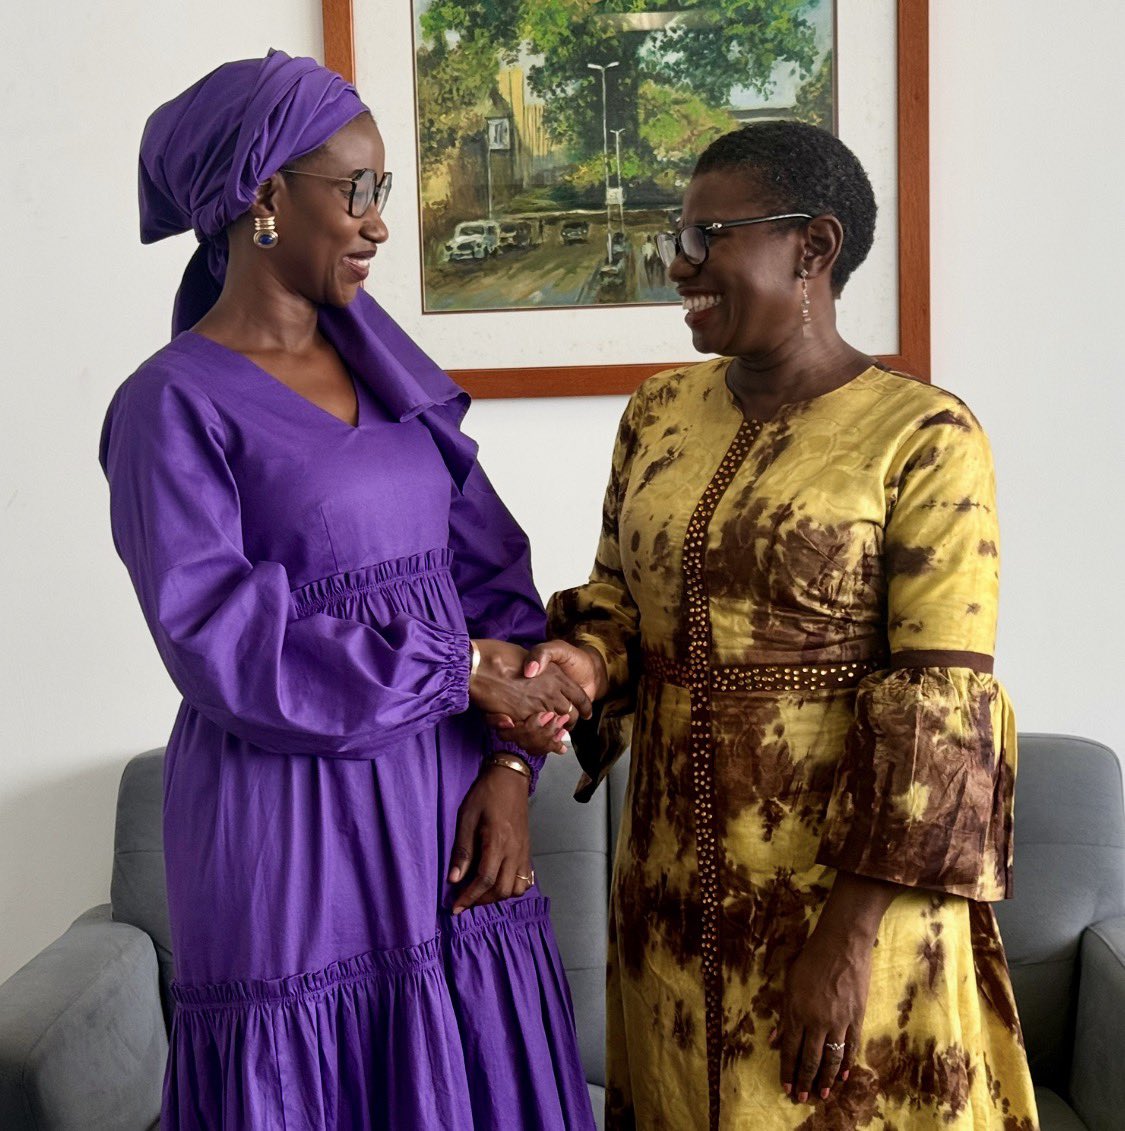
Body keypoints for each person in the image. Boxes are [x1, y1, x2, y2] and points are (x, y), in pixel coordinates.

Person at [99, 50, 596, 1131]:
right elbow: (220, 635)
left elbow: (493, 577)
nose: (380, 221)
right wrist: (458, 671)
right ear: (266, 198)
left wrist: (510, 770)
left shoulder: (387, 370)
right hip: (289, 817)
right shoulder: (170, 404)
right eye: (359, 191)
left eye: (383, 192)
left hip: (450, 801)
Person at [524, 122, 1039, 1129]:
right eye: (679, 235)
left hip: (850, 906)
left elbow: (945, 708)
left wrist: (846, 944)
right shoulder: (657, 415)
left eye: (709, 235)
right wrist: (573, 668)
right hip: (672, 900)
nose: (680, 263)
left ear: (815, 247)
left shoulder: (925, 438)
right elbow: (620, 602)